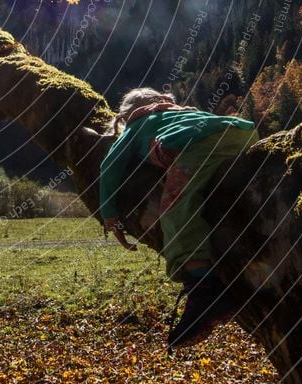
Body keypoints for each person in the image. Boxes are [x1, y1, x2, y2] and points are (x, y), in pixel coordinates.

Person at [99, 87, 259, 350]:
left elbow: (110, 165)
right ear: (164, 101)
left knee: (175, 210)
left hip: (198, 145)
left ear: (127, 115)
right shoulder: (183, 112)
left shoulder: (138, 123)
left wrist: (109, 215)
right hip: (243, 132)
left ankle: (204, 289)